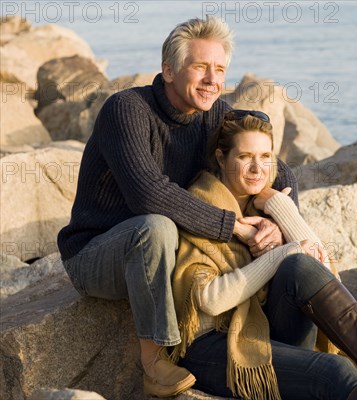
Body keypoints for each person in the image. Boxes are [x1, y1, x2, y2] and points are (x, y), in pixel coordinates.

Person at [57, 17, 298, 398]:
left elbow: (277, 167)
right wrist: (235, 226)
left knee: (168, 230)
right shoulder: (127, 110)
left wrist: (277, 223)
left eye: (219, 69)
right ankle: (156, 361)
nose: (212, 80)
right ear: (168, 70)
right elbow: (149, 195)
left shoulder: (213, 113)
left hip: (167, 256)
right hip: (97, 254)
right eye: (200, 67)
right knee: (155, 226)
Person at [171, 110, 357, 400]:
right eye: (245, 157)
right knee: (333, 371)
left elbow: (321, 270)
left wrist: (279, 206)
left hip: (261, 331)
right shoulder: (202, 206)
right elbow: (209, 300)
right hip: (212, 348)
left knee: (299, 266)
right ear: (222, 159)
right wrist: (281, 252)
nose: (257, 168)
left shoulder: (262, 206)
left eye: (265, 156)